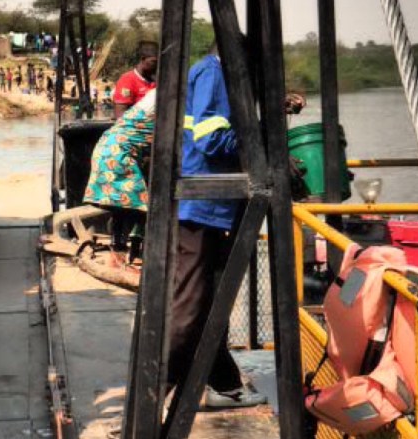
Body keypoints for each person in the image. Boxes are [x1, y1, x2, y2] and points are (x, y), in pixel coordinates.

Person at [165, 46, 305, 409]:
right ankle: (146, 402)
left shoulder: (211, 72)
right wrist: (266, 132)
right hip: (203, 203)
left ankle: (222, 384)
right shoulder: (215, 73)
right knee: (191, 308)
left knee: (214, 302)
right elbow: (212, 140)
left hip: (214, 204)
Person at [83, 87, 156, 266]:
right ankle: (125, 254)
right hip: (117, 156)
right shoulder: (166, 101)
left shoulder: (147, 104)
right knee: (136, 205)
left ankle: (121, 254)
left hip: (107, 149)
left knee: (123, 207)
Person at [112, 42, 157, 115]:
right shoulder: (127, 80)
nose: (157, 65)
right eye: (154, 62)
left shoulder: (157, 81)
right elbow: (120, 114)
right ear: (143, 59)